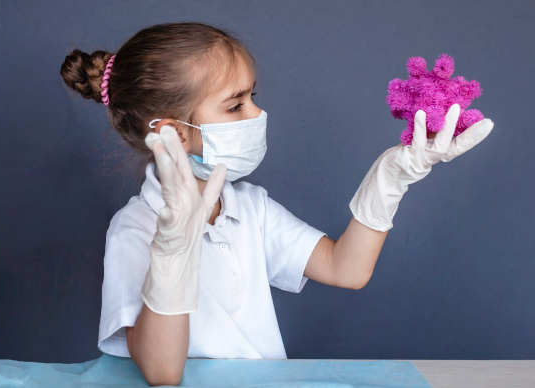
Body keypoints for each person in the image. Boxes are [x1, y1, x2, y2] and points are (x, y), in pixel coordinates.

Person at [60, 22, 494, 386]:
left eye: (252, 96)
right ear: (174, 133)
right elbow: (162, 371)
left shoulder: (250, 207)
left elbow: (346, 268)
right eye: (235, 105)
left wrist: (389, 180)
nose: (256, 114)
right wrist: (173, 250)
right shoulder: (134, 229)